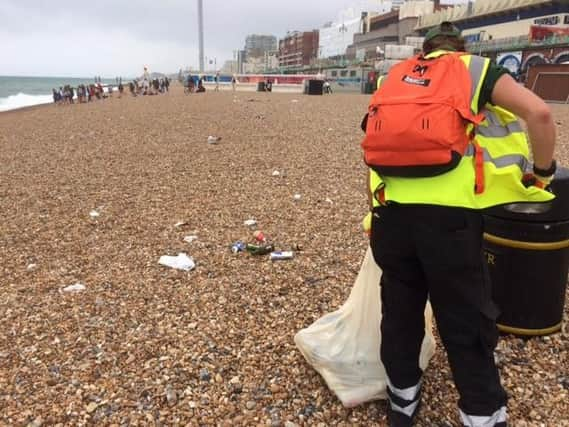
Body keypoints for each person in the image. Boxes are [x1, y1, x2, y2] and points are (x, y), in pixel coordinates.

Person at [360, 22, 556, 427]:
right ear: (460, 48)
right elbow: (539, 113)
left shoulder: (393, 77)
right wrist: (543, 172)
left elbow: (380, 146)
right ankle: (481, 412)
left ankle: (402, 397)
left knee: (399, 310)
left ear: (425, 50)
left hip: (390, 218)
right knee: (464, 315)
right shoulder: (474, 70)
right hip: (449, 223)